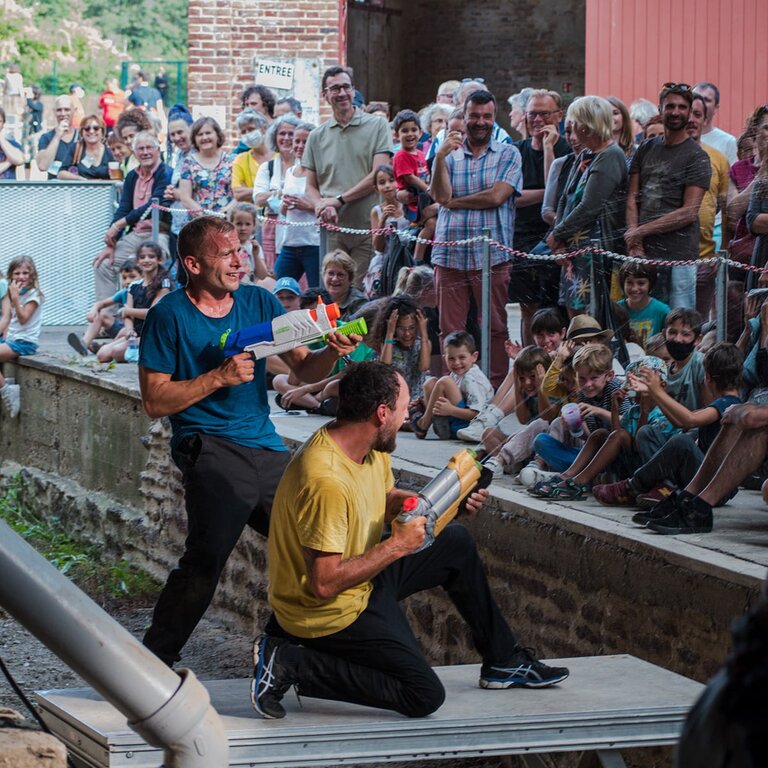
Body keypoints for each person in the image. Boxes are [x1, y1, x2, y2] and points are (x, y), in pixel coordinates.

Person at [251, 360, 569, 720]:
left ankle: (503, 661)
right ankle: (291, 661)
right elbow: (324, 584)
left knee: (455, 543)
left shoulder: (364, 446)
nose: (408, 415)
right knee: (423, 695)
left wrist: (446, 504)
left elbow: (384, 498)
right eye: (404, 408)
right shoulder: (325, 479)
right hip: (325, 612)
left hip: (360, 579)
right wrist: (397, 546)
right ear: (382, 413)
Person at [138, 215, 359, 667]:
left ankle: (293, 647)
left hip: (265, 444)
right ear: (193, 264)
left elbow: (303, 368)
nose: (240, 261)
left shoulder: (259, 301)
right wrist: (217, 378)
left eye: (241, 250)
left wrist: (331, 352)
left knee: (314, 546)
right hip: (207, 443)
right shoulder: (168, 315)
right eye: (227, 254)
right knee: (207, 558)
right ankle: (152, 663)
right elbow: (155, 401)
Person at [430, 90, 522, 388]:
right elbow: (440, 195)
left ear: (494, 119)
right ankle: (454, 389)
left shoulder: (508, 153)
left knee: (495, 326)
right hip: (450, 254)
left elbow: (497, 196)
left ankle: (494, 387)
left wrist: (455, 203)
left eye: (486, 116)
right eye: (474, 116)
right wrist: (439, 157)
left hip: (491, 255)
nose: (480, 122)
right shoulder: (448, 154)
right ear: (464, 117)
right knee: (449, 329)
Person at [593, 342, 743, 515]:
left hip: (717, 486)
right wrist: (654, 396)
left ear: (707, 378)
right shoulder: (725, 404)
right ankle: (663, 486)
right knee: (647, 432)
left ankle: (631, 486)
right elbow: (680, 422)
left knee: (682, 441)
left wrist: (657, 392)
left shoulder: (728, 405)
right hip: (702, 477)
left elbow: (689, 420)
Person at [303, 66, 392, 286]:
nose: (342, 93)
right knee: (334, 291)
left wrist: (338, 200)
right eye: (335, 88)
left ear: (353, 90)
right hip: (333, 230)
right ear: (325, 95)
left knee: (360, 292)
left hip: (368, 227)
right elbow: (310, 187)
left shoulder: (377, 125)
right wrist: (321, 205)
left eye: (346, 87)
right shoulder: (316, 136)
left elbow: (378, 174)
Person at [625, 83, 711, 308]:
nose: (675, 112)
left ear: (689, 112)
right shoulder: (645, 148)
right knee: (644, 319)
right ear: (660, 109)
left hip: (679, 255)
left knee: (679, 320)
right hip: (643, 252)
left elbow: (689, 212)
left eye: (682, 107)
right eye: (670, 106)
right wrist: (635, 241)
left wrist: (640, 231)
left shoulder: (697, 156)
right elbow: (632, 197)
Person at [545, 95, 628, 317]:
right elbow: (565, 198)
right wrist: (558, 240)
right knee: (574, 313)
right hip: (573, 248)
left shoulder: (610, 156)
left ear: (587, 126)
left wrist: (558, 234)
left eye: (575, 123)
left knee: (593, 316)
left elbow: (590, 206)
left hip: (595, 252)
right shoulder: (586, 154)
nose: (571, 129)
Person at [508, 89, 571, 343]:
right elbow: (510, 196)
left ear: (559, 116)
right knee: (528, 308)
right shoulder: (515, 151)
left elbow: (555, 198)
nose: (537, 120)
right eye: (532, 114)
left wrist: (548, 149)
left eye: (544, 114)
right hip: (522, 237)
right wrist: (545, 194)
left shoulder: (568, 149)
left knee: (557, 307)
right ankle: (529, 357)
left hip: (556, 236)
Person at [92, 131, 173, 301]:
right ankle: (108, 315)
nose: (145, 152)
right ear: (134, 152)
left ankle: (149, 312)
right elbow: (124, 209)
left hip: (160, 233)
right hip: (136, 234)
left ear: (158, 149)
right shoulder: (132, 176)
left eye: (149, 147)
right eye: (140, 149)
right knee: (104, 264)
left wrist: (119, 225)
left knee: (151, 265)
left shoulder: (166, 173)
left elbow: (151, 206)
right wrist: (111, 243)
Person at [686, 94, 730, 320]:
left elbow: (725, 208)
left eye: (697, 114)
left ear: (705, 119)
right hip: (672, 257)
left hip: (705, 257)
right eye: (688, 113)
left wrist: (723, 251)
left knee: (699, 322)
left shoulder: (718, 159)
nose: (691, 120)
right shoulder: (667, 155)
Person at [96, 242, 172, 363]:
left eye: (151, 256)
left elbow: (153, 313)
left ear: (159, 260)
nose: (146, 260)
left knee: (117, 352)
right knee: (102, 355)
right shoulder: (134, 286)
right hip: (137, 333)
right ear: (137, 261)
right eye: (142, 257)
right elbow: (128, 316)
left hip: (155, 334)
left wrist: (127, 310)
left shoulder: (164, 284)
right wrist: (129, 330)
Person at [412, 330, 493, 439]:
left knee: (444, 382)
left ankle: (423, 424)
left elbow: (477, 415)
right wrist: (425, 403)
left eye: (462, 357)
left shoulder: (473, 379)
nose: (456, 363)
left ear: (474, 357)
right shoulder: (457, 373)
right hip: (455, 418)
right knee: (430, 383)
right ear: (444, 358)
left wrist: (451, 410)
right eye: (451, 358)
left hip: (469, 427)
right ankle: (436, 422)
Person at [276, 121, 321, 286]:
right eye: (297, 141)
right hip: (290, 242)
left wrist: (307, 206)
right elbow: (283, 211)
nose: (300, 146)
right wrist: (285, 205)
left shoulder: (320, 173)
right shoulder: (290, 172)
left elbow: (327, 207)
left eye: (305, 142)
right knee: (280, 286)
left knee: (316, 291)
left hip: (313, 243)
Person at [67, 261, 143, 356]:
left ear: (142, 276)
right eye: (124, 278)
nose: (127, 281)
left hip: (135, 332)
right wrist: (93, 310)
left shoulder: (144, 292)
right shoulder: (124, 293)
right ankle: (84, 344)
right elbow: (101, 303)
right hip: (124, 328)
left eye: (132, 277)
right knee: (101, 315)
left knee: (123, 334)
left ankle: (103, 348)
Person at [0, 256, 44, 419]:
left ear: (32, 275)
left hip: (24, 342)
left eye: (25, 273)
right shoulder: (11, 292)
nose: (21, 277)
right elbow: (7, 318)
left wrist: (16, 299)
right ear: (11, 275)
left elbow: (23, 318)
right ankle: (6, 382)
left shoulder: (34, 295)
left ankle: (7, 391)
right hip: (11, 339)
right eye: (17, 273)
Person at [254, 114, 299, 271]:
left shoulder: (306, 166)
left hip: (299, 229)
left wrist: (273, 193)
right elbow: (258, 198)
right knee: (274, 274)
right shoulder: (267, 167)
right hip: (272, 231)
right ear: (275, 137)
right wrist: (284, 192)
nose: (286, 138)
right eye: (282, 133)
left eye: (291, 134)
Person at [374, 295, 431, 405]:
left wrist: (423, 332)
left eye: (412, 328)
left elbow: (424, 367)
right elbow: (384, 366)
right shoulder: (388, 345)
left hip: (417, 401)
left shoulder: (423, 344)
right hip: (395, 401)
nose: (407, 333)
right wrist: (390, 332)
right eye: (401, 328)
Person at [178, 117, 234, 215]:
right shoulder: (188, 163)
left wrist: (226, 212)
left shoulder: (232, 161)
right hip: (200, 220)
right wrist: (205, 216)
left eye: (208, 133)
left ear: (217, 135)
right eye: (200, 134)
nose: (204, 137)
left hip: (227, 218)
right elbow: (185, 198)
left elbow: (239, 195)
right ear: (194, 139)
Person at [617, 260, 670, 347]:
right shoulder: (616, 309)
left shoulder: (662, 311)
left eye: (641, 283)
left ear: (650, 284)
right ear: (623, 283)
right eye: (629, 283)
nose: (634, 288)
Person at [56, 114, 114, 180]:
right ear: (82, 132)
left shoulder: (110, 150)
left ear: (102, 132)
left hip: (105, 186)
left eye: (96, 128)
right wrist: (80, 179)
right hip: (81, 186)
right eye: (87, 128)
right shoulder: (75, 148)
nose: (91, 131)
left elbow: (119, 175)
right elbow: (61, 174)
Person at [692, 82, 738, 166]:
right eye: (696, 98)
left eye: (706, 100)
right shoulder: (677, 138)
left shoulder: (728, 142)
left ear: (716, 108)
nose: (700, 103)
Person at [231, 109, 271, 201]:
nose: (248, 135)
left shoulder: (279, 156)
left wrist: (249, 190)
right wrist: (271, 191)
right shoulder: (241, 159)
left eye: (251, 129)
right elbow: (238, 194)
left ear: (264, 128)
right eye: (243, 132)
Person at [36, 95, 79, 180]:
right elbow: (42, 166)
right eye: (59, 110)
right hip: (55, 186)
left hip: (79, 185)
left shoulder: (83, 136)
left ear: (74, 111)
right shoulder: (46, 137)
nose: (63, 114)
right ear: (54, 111)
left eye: (67, 110)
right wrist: (57, 136)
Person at [322, 250, 367, 320]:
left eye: (340, 275)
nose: (334, 279)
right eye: (331, 273)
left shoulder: (359, 304)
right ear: (324, 275)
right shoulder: (317, 299)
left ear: (350, 278)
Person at [0, 107, 23, 179]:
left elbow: (19, 160)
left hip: (9, 186)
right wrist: (9, 162)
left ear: (3, 124)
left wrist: (1, 139)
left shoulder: (13, 144)